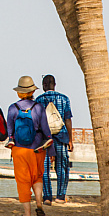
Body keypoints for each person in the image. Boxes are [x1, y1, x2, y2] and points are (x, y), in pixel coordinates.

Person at [6, 75, 53, 216]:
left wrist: (12, 140)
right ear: (32, 91)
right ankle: (39, 204)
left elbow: (10, 130)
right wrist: (50, 146)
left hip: (19, 150)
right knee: (37, 177)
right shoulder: (38, 107)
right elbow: (46, 129)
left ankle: (27, 214)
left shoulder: (13, 108)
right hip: (37, 149)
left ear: (19, 92)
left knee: (23, 181)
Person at [36, 75, 73, 205]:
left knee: (44, 167)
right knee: (62, 166)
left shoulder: (39, 100)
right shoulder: (64, 99)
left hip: (44, 139)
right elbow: (68, 119)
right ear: (55, 84)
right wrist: (70, 139)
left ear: (43, 85)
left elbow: (36, 121)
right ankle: (61, 196)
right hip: (61, 137)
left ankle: (47, 197)